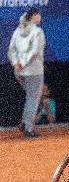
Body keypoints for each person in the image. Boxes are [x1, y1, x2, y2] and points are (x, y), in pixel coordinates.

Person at [7, 7, 46, 137]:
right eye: (38, 15)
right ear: (34, 16)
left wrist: (16, 63)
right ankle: (28, 128)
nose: (40, 17)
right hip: (33, 70)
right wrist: (23, 63)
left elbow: (11, 50)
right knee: (33, 98)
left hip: (19, 71)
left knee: (30, 97)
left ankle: (25, 123)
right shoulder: (37, 32)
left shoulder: (18, 30)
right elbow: (34, 52)